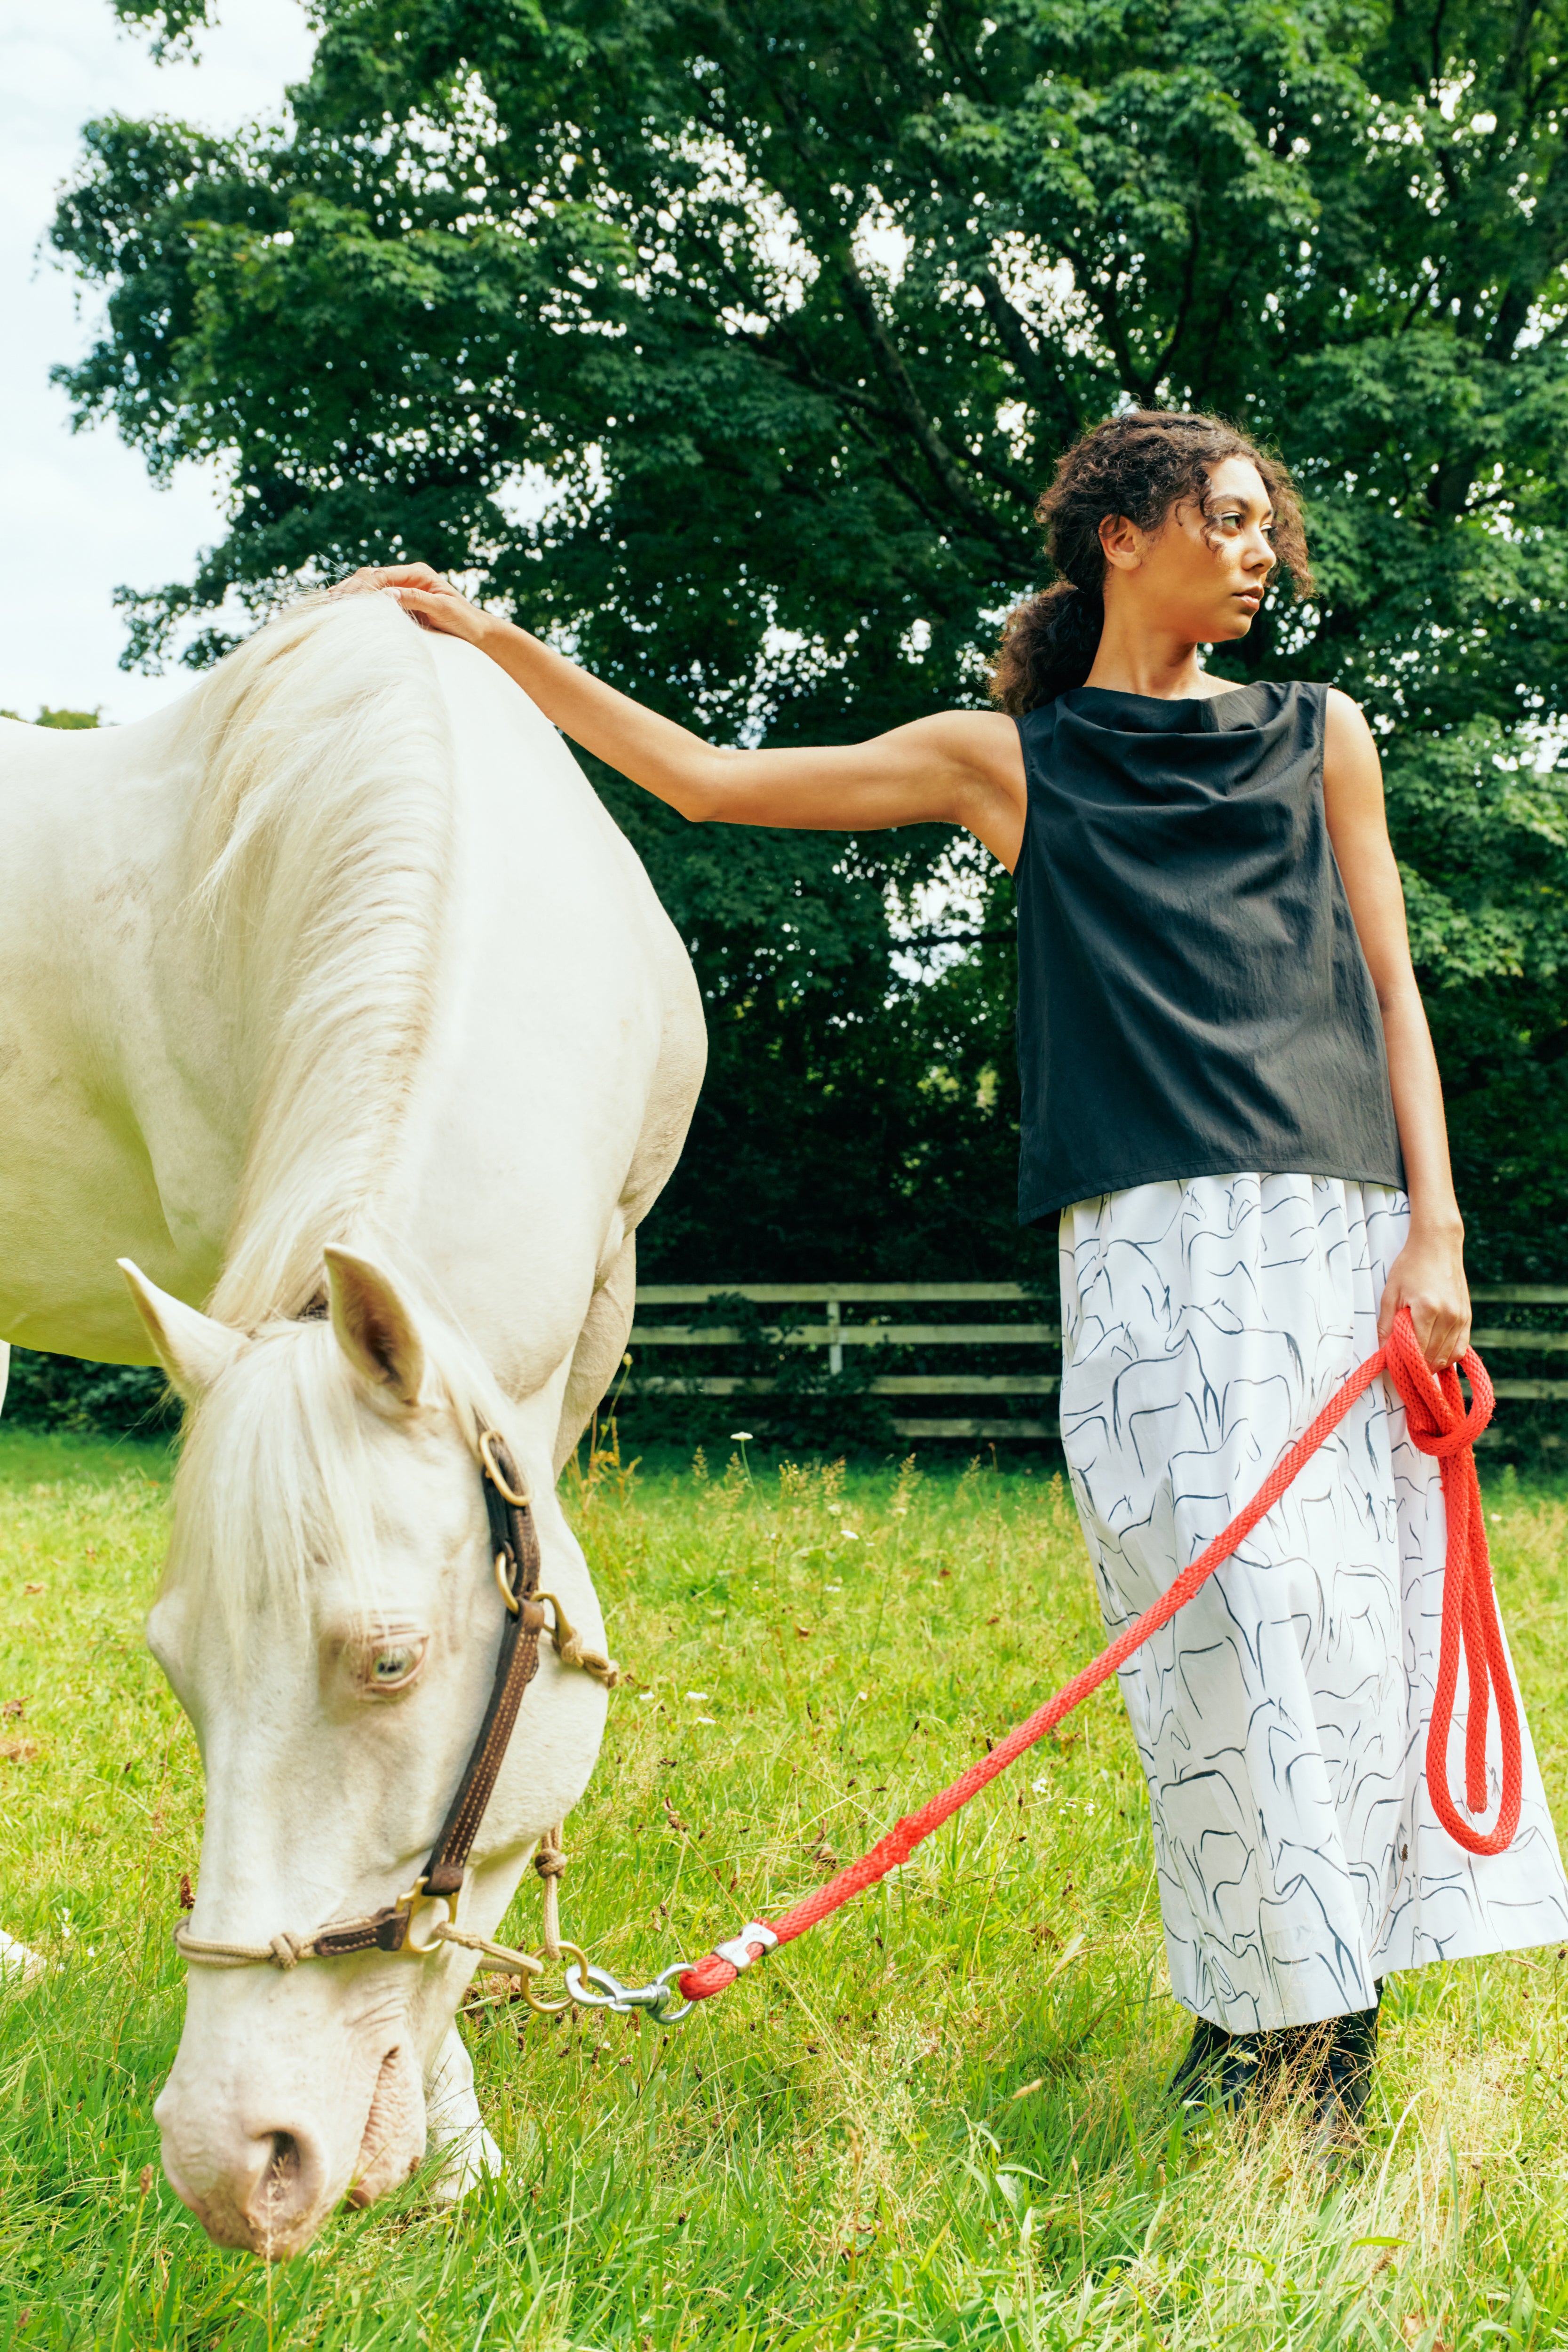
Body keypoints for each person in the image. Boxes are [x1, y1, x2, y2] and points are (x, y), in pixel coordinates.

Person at [332, 407, 1568, 2137]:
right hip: (1139, 1242)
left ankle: (1325, 2055)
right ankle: (1249, 2021)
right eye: (1228, 516)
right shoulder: (1014, 762)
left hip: (1332, 1231)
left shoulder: (1322, 736)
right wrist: (493, 639)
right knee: (1203, 1636)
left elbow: (1393, 990)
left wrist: (1435, 1231)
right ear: (1120, 534)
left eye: (1265, 525)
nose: (1263, 548)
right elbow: (710, 783)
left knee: (1337, 1628)